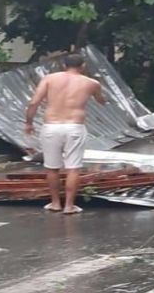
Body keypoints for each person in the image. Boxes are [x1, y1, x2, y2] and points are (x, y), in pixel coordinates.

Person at [25, 53, 106, 214]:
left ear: (64, 65)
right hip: (74, 126)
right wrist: (101, 97)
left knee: (52, 168)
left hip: (51, 126)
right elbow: (101, 100)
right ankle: (69, 206)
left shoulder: (49, 79)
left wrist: (28, 123)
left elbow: (34, 102)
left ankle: (55, 203)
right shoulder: (91, 83)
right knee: (73, 168)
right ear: (83, 66)